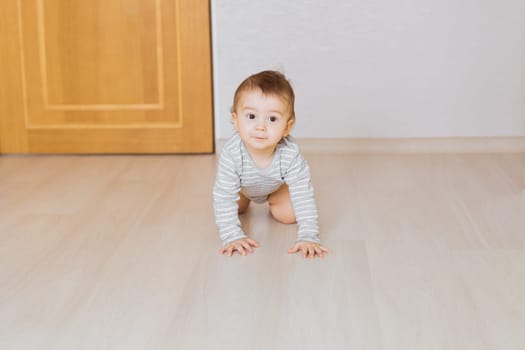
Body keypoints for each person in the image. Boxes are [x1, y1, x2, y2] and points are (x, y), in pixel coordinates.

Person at [213, 70, 330, 259]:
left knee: (289, 215)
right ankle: (245, 202)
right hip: (242, 188)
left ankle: (273, 201)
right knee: (234, 208)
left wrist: (309, 235)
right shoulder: (232, 152)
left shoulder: (290, 154)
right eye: (251, 117)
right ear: (235, 120)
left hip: (275, 188)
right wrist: (232, 236)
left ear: (287, 126)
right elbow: (224, 195)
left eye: (272, 119)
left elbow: (303, 193)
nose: (260, 127)